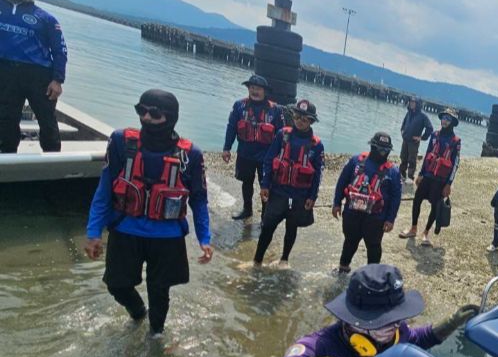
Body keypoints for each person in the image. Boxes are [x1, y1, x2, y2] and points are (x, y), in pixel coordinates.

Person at [84, 90, 213, 336]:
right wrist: (94, 232)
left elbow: (199, 200)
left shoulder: (191, 155)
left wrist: (204, 239)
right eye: (141, 110)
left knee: (159, 291)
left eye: (154, 114)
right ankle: (137, 312)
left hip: (167, 237)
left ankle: (156, 336)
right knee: (116, 285)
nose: (146, 118)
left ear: (171, 118)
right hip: (125, 229)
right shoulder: (121, 142)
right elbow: (104, 190)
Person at [262, 264, 479, 357]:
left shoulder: (397, 330)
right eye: (382, 321)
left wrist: (446, 326)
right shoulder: (321, 345)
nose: (394, 327)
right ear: (353, 319)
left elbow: (415, 338)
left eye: (397, 318)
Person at [0, 0, 66, 154]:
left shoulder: (46, 19)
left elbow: (60, 50)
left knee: (47, 119)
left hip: (39, 75)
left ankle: (53, 160)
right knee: (6, 118)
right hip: (5, 71)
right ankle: (7, 158)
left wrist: (58, 79)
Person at [253, 99, 324, 267]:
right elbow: (269, 160)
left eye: (304, 119)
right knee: (267, 227)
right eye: (297, 117)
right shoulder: (282, 135)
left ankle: (284, 259)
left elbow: (318, 174)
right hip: (278, 192)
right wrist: (265, 184)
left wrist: (312, 196)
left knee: (292, 228)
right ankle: (257, 260)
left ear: (311, 121)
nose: (299, 121)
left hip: (299, 196)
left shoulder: (316, 145)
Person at [332, 131, 402, 273]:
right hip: (352, 213)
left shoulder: (393, 172)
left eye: (386, 150)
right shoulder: (355, 161)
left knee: (374, 246)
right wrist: (336, 203)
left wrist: (390, 219)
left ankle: (372, 275)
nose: (382, 153)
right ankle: (343, 268)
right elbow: (342, 182)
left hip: (376, 218)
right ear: (372, 146)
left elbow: (396, 198)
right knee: (350, 241)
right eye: (380, 149)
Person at [222, 75, 284, 220]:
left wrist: (281, 156)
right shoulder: (239, 106)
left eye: (258, 89)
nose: (255, 91)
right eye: (252, 88)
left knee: (266, 186)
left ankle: (265, 215)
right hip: (245, 153)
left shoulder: (276, 110)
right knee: (246, 182)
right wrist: (226, 148)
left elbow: (282, 135)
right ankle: (247, 209)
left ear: (265, 91)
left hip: (267, 157)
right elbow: (231, 127)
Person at [398, 107, 461, 247]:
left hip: (441, 180)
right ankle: (413, 228)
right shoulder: (434, 135)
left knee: (435, 206)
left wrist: (449, 184)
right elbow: (428, 154)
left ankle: (426, 233)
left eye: (448, 119)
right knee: (417, 199)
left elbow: (456, 163)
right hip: (428, 175)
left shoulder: (456, 141)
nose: (445, 121)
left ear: (452, 122)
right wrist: (421, 173)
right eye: (443, 118)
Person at [398, 96, 432, 182]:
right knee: (403, 157)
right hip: (405, 140)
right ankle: (401, 174)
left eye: (413, 102)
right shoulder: (408, 113)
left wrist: (422, 138)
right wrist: (402, 130)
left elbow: (430, 128)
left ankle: (410, 177)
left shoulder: (423, 116)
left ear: (418, 104)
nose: (411, 104)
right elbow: (404, 123)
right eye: (411, 102)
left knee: (412, 160)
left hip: (413, 142)